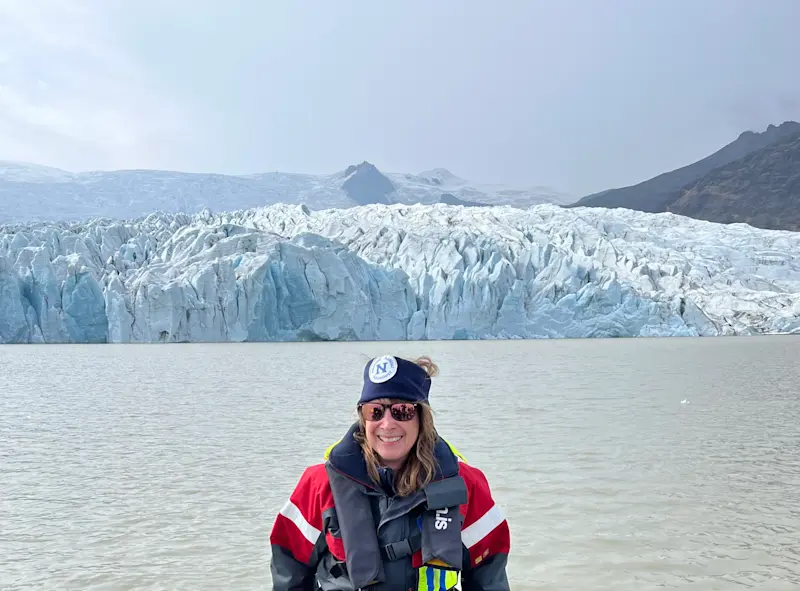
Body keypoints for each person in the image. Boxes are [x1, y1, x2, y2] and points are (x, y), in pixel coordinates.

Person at [269, 354, 511, 591]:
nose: (387, 424)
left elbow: (490, 575)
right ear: (363, 417)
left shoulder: (466, 484)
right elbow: (289, 569)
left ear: (421, 417)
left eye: (402, 411)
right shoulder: (319, 484)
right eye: (375, 411)